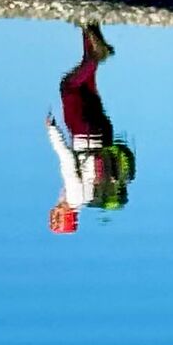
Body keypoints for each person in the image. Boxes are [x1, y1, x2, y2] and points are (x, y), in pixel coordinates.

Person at [46, 23, 135, 228]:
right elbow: (67, 160)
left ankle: (89, 26)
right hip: (84, 133)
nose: (54, 209)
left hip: (103, 134)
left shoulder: (88, 197)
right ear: (66, 216)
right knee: (68, 86)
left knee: (87, 84)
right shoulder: (75, 197)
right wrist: (52, 130)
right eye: (56, 216)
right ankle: (96, 54)